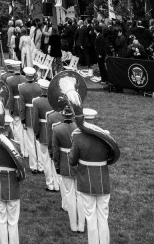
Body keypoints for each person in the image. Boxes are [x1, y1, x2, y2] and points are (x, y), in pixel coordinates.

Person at [67, 107, 120, 244]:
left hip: (86, 181)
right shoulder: (104, 136)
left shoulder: (77, 137)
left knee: (90, 217)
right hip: (103, 181)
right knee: (103, 217)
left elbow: (72, 161)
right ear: (93, 120)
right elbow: (111, 156)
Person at [0, 109, 26, 244]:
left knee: (1, 222)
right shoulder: (17, 146)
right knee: (13, 223)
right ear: (9, 128)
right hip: (12, 187)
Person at [51, 104, 84, 234]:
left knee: (69, 195)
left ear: (63, 115)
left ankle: (73, 225)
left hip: (65, 164)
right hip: (79, 164)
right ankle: (81, 226)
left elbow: (55, 150)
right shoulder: (79, 128)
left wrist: (57, 166)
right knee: (80, 195)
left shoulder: (57, 129)